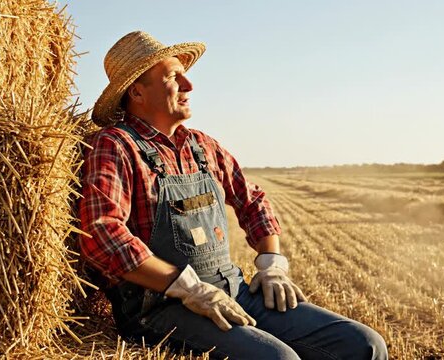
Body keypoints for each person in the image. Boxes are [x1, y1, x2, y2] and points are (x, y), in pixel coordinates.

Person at [79, 31, 387, 360]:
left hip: (232, 289)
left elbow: (253, 201)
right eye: (173, 76)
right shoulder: (116, 146)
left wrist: (271, 265)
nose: (189, 85)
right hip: (160, 305)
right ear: (137, 91)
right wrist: (188, 288)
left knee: (364, 344)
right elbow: (101, 233)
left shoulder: (203, 146)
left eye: (186, 75)